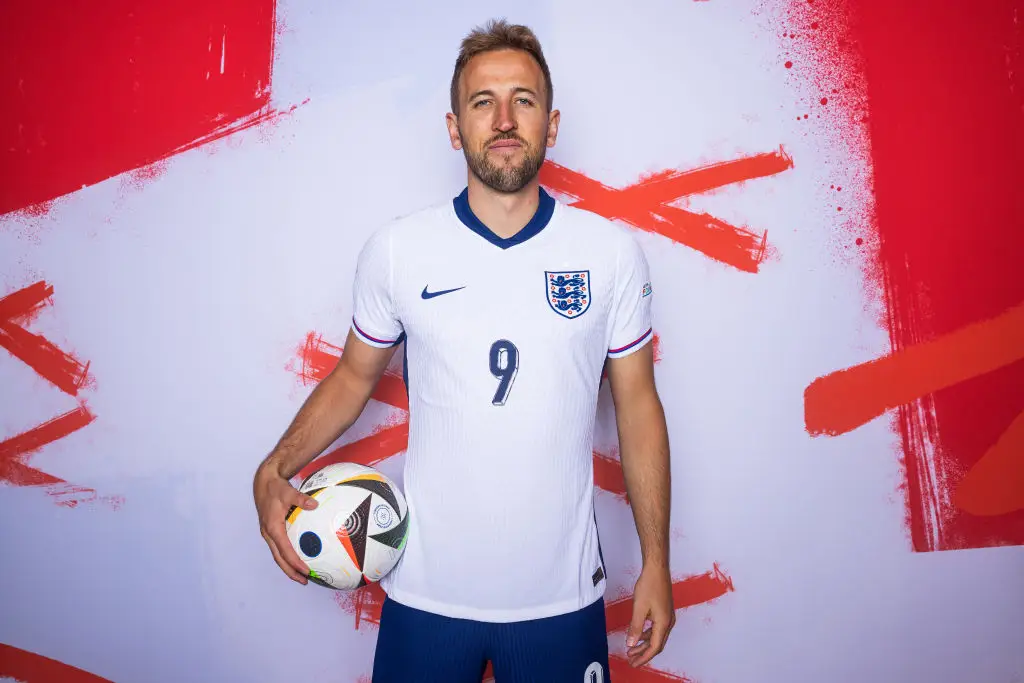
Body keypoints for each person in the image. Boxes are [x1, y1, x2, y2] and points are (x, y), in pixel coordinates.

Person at [253, 18, 675, 682]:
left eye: (524, 100)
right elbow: (353, 376)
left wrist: (657, 560)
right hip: (423, 589)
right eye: (483, 102)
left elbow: (638, 405)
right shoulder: (398, 249)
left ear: (551, 125)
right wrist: (273, 467)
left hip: (560, 598)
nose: (504, 119)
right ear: (455, 129)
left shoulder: (609, 253)